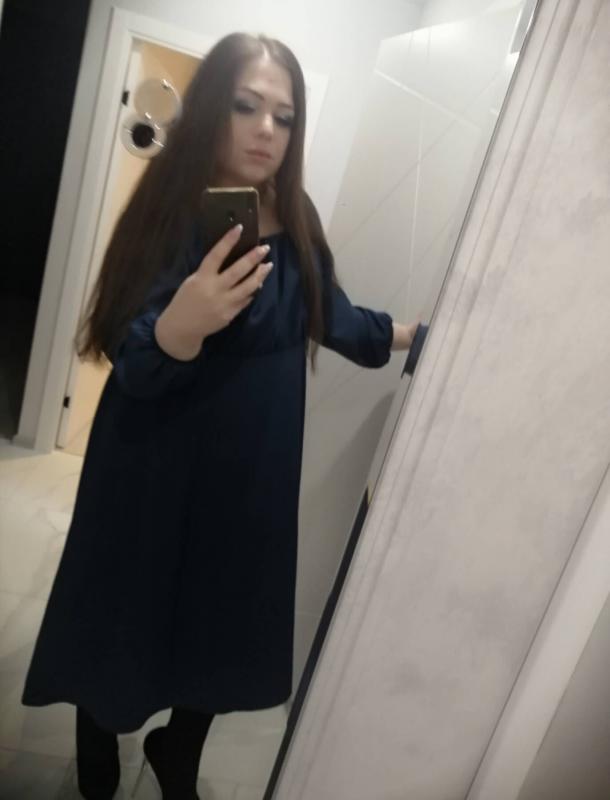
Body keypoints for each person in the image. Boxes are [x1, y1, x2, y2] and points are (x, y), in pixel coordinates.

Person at [20, 31, 420, 799]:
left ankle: (179, 751)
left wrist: (413, 336)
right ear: (212, 109)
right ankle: (97, 755)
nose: (267, 129)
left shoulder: (294, 214)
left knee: (223, 617)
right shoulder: (169, 209)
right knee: (125, 608)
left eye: (285, 116)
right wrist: (181, 326)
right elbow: (129, 354)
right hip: (153, 460)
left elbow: (329, 314)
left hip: (251, 470)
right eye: (246, 106)